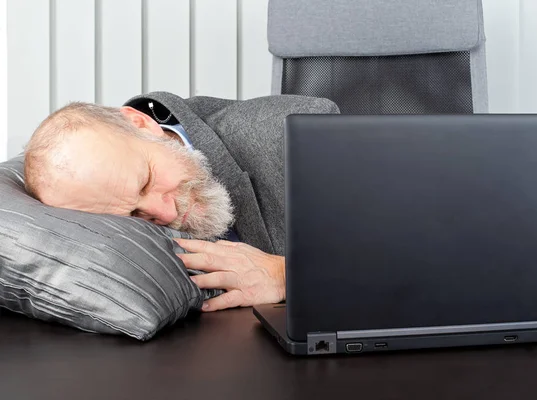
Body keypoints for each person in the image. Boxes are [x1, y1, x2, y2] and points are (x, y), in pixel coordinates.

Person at [23, 91, 339, 312]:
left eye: (146, 180)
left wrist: (284, 275)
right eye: (134, 214)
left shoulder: (293, 133)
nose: (166, 212)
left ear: (143, 123)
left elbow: (386, 264)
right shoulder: (102, 185)